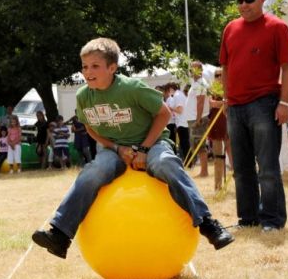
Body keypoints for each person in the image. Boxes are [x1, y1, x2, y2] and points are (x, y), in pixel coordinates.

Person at [32, 38, 233, 259]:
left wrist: (144, 149)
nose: (87, 72)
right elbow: (90, 128)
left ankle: (208, 224)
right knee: (93, 171)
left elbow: (164, 114)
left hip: (152, 143)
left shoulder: (131, 88)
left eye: (95, 66)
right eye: (84, 66)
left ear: (112, 68)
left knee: (165, 163)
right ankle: (60, 236)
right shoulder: (83, 96)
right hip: (114, 149)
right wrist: (117, 148)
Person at [220, 0, 288, 232]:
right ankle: (248, 218)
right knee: (241, 169)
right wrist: (227, 99)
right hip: (236, 107)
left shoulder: (277, 27)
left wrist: (284, 102)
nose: (243, 5)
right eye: (239, 0)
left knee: (268, 167)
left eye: (249, 0)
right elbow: (225, 67)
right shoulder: (230, 29)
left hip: (265, 103)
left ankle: (272, 220)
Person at [183, 61, 211, 177]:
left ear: (200, 70)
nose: (191, 71)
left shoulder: (200, 83)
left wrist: (198, 119)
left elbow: (200, 102)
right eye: (191, 69)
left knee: (199, 145)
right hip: (194, 118)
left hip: (197, 118)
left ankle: (204, 171)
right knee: (196, 145)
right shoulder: (195, 83)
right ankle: (203, 170)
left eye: (194, 69)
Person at [208, 70, 231, 191]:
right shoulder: (213, 89)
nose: (219, 77)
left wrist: (224, 102)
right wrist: (223, 102)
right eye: (216, 75)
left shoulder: (230, 86)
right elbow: (212, 103)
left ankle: (240, 183)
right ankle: (218, 185)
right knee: (218, 156)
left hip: (229, 123)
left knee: (233, 155)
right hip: (217, 124)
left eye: (221, 75)